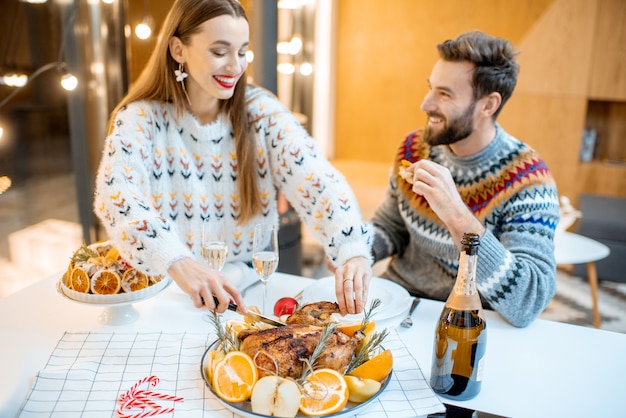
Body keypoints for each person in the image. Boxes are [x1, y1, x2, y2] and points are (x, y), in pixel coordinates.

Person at [93, 0, 372, 316]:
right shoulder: (140, 118)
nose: (236, 66)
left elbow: (318, 180)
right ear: (178, 49)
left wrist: (352, 250)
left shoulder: (261, 111)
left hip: (248, 295)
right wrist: (176, 260)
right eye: (219, 51)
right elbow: (117, 197)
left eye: (242, 52)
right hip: (167, 299)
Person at [368, 31, 560, 328]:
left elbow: (528, 301)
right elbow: (391, 227)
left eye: (444, 94)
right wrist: (356, 251)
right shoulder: (414, 148)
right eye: (431, 88)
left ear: (488, 105)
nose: (426, 104)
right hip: (399, 303)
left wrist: (457, 215)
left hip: (466, 322)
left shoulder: (529, 181)